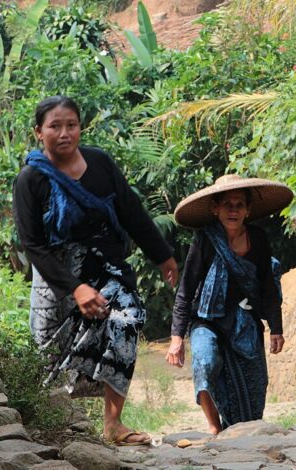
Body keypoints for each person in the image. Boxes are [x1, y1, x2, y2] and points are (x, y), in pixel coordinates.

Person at [13, 95, 179, 446]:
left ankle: (113, 424)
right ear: (38, 132)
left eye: (70, 124)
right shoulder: (30, 180)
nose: (64, 133)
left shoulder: (100, 164)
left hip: (106, 267)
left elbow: (131, 210)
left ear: (80, 127)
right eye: (54, 126)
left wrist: (162, 255)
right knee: (49, 359)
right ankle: (51, 430)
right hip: (56, 279)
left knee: (127, 318)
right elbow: (33, 246)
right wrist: (74, 288)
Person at [166, 174, 291, 434]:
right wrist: (176, 337)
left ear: (248, 210)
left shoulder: (258, 239)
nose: (233, 210)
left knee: (255, 387)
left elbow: (268, 287)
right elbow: (186, 289)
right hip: (206, 319)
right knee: (205, 361)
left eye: (239, 205)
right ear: (215, 209)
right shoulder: (205, 240)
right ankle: (213, 427)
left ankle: (241, 428)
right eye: (227, 205)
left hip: (245, 319)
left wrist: (276, 328)